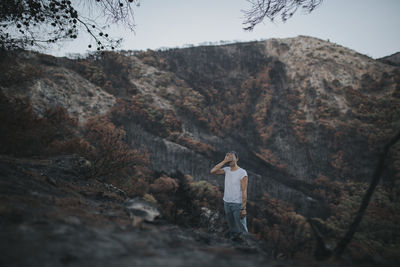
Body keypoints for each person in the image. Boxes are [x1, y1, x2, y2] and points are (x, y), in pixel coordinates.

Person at [210, 151, 249, 241]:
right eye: (228, 157)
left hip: (237, 204)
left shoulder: (242, 172)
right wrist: (224, 161)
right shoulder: (226, 170)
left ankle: (249, 246)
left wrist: (244, 208)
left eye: (232, 157)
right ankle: (235, 245)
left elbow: (244, 191)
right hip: (227, 202)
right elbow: (213, 171)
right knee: (232, 227)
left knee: (242, 228)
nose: (230, 159)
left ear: (237, 159)